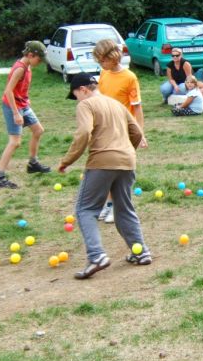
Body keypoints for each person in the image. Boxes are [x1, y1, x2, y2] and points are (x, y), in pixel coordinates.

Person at [59, 73, 151, 279]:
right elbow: (136, 132)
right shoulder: (116, 104)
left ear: (83, 89)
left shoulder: (86, 105)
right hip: (127, 161)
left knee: (85, 209)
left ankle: (96, 256)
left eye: (76, 95)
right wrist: (126, 152)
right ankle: (141, 252)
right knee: (124, 208)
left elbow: (83, 133)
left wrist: (67, 160)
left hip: (102, 161)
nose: (77, 101)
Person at [94, 39, 147, 224]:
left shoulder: (130, 77)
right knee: (104, 169)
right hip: (105, 129)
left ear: (113, 57)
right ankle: (108, 204)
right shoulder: (103, 73)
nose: (100, 64)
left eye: (102, 60)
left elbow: (137, 108)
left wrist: (140, 134)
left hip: (123, 130)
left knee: (117, 171)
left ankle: (117, 206)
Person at [0, 41, 51, 189]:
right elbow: (8, 91)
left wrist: (25, 97)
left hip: (23, 105)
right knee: (15, 142)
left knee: (38, 130)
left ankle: (33, 164)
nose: (40, 63)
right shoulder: (19, 69)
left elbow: (21, 87)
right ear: (30, 55)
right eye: (39, 60)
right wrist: (15, 113)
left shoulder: (28, 66)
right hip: (13, 106)